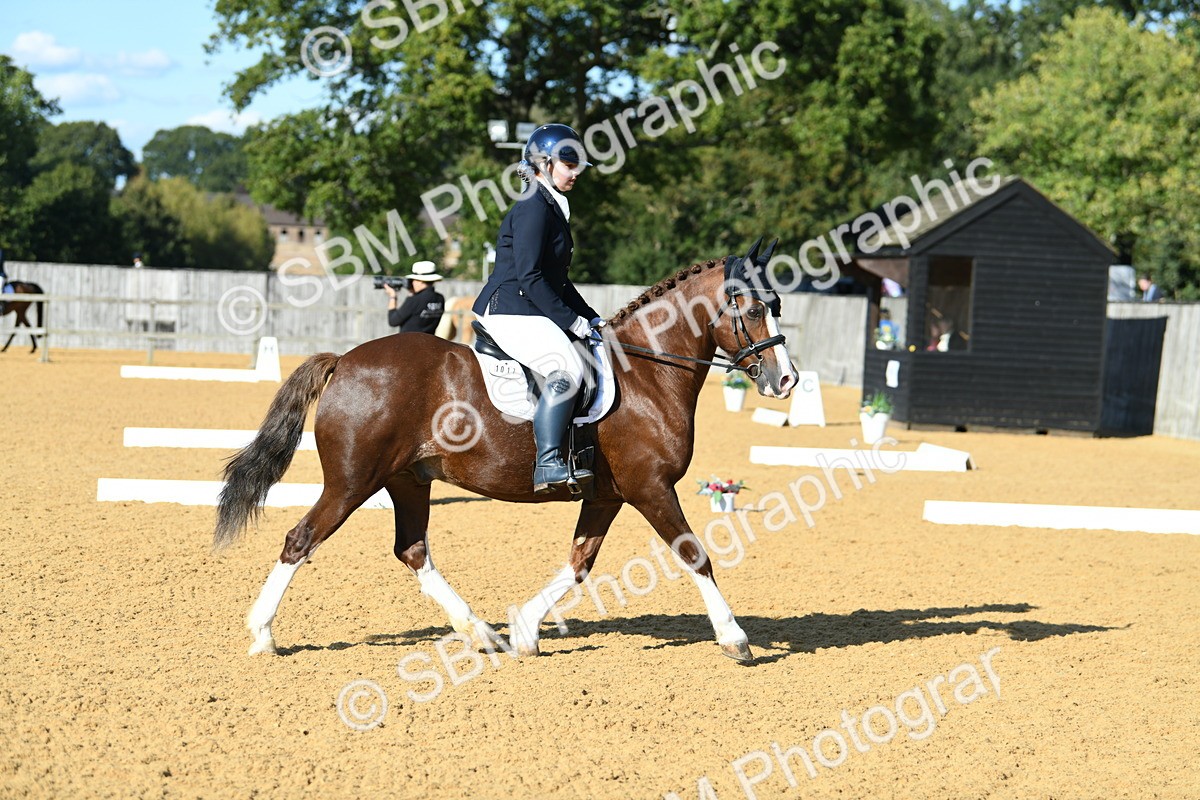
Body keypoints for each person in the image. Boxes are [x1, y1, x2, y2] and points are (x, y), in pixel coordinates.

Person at [472, 123, 603, 494]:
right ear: (543, 163)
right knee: (566, 367)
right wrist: (571, 321)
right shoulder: (534, 207)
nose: (575, 172)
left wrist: (591, 316)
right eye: (568, 163)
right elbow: (530, 277)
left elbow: (557, 278)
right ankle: (547, 462)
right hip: (511, 308)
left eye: (578, 164)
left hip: (527, 306)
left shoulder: (551, 206)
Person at [386, 260, 446, 333]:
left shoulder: (415, 299)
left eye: (414, 280)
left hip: (409, 342)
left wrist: (393, 296)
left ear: (420, 281)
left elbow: (393, 321)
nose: (413, 282)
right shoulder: (440, 298)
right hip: (430, 341)